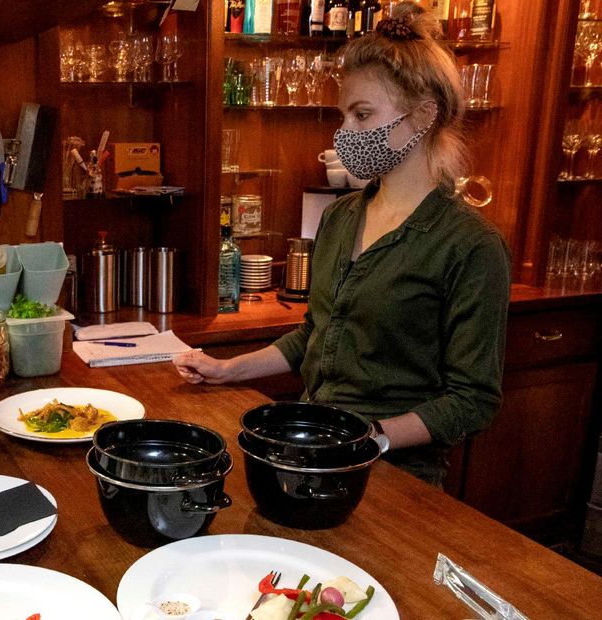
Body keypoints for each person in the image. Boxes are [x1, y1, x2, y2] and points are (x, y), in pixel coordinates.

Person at [173, 2, 511, 487]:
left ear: (424, 116)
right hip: (313, 452)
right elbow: (314, 335)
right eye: (344, 115)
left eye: (362, 114)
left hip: (399, 477)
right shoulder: (340, 217)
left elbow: (473, 400)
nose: (345, 132)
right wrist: (227, 370)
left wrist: (371, 436)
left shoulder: (471, 246)